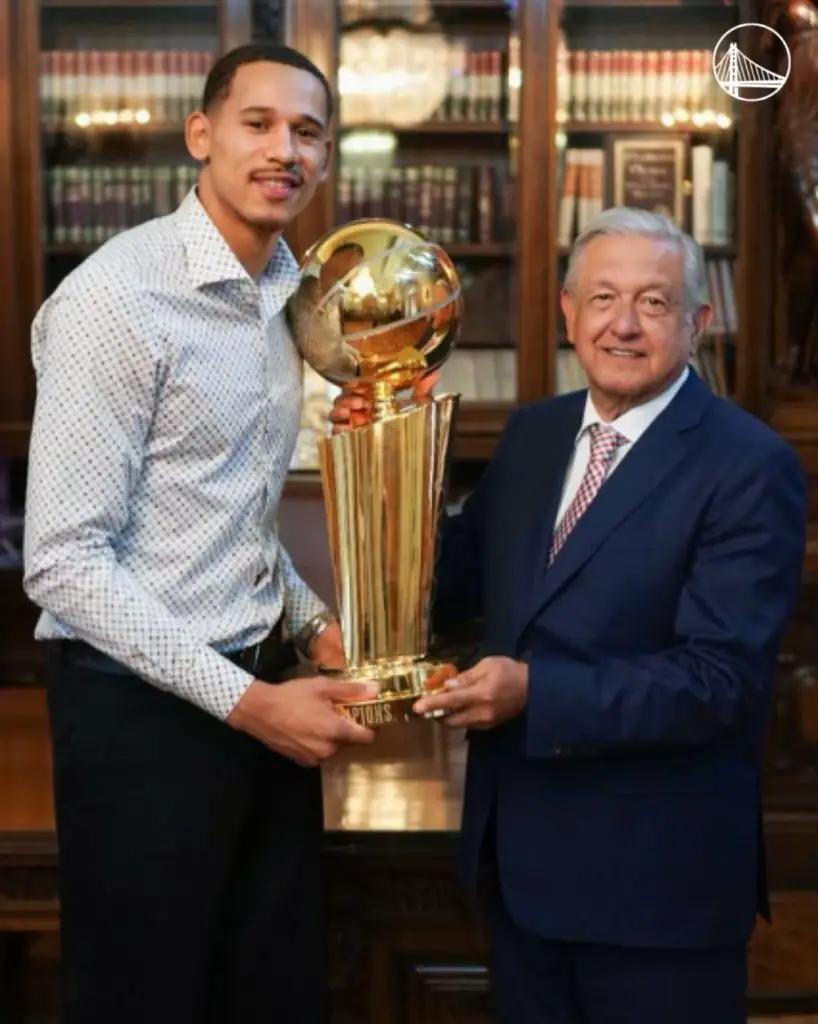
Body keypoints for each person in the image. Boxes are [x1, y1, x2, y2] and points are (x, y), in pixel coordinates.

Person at [331, 207, 807, 1023]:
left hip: (657, 895)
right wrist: (385, 449)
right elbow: (447, 593)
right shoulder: (533, 436)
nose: (622, 325)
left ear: (696, 323)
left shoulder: (749, 463)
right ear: (567, 311)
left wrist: (534, 693)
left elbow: (717, 681)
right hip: (520, 875)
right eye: (602, 299)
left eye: (653, 304)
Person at [23, 42, 380, 1024]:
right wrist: (254, 705)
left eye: (306, 131)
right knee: (147, 999)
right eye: (257, 123)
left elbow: (233, 513)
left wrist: (311, 626)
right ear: (201, 135)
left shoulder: (285, 293)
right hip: (137, 719)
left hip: (257, 688)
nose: (284, 150)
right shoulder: (116, 298)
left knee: (266, 994)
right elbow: (62, 564)